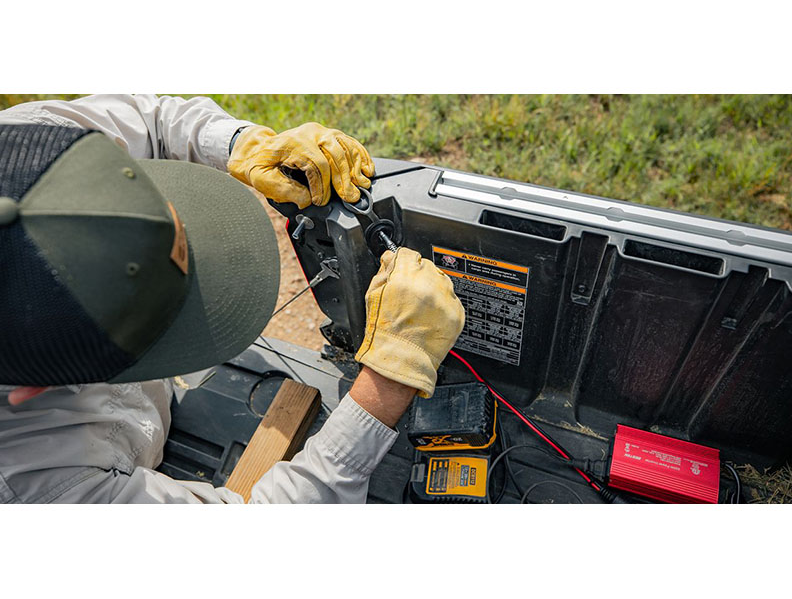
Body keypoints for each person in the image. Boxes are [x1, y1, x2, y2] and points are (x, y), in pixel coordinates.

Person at [0, 94, 465, 503]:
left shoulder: (27, 151)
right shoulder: (31, 490)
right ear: (32, 388)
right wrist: (390, 380)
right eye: (156, 328)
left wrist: (241, 143)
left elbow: (153, 120)